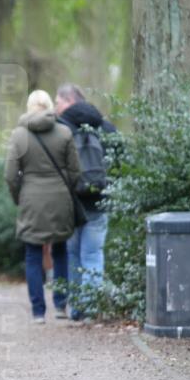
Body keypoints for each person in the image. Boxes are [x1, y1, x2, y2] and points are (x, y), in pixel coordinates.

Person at [4, 90, 81, 323]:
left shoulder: (19, 135)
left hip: (31, 200)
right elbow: (75, 171)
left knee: (33, 254)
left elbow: (10, 175)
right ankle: (60, 305)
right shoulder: (64, 132)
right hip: (60, 199)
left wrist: (19, 197)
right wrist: (65, 190)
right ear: (49, 106)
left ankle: (38, 312)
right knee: (60, 251)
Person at [55, 83, 118, 321]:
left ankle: (77, 308)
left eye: (58, 102)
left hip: (71, 201)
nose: (56, 107)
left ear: (69, 101)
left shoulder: (61, 128)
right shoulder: (105, 125)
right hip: (100, 200)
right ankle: (92, 309)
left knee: (73, 254)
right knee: (93, 254)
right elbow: (120, 159)